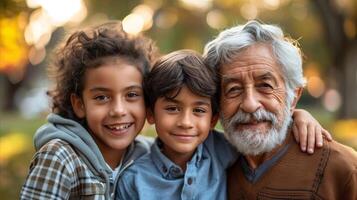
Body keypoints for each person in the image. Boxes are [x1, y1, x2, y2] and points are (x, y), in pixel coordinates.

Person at [117, 50, 332, 199]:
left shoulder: (220, 149)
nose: (185, 122)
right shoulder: (132, 180)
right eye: (172, 109)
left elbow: (259, 130)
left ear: (213, 119)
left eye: (199, 110)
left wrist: (298, 116)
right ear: (150, 114)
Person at [204, 20, 357, 199]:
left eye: (265, 85)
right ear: (217, 101)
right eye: (233, 89)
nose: (250, 104)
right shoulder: (206, 165)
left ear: (293, 97)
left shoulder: (342, 169)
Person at [20, 21, 157, 199]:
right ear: (80, 105)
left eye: (131, 95)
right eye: (102, 97)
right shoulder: (59, 158)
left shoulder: (149, 156)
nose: (118, 110)